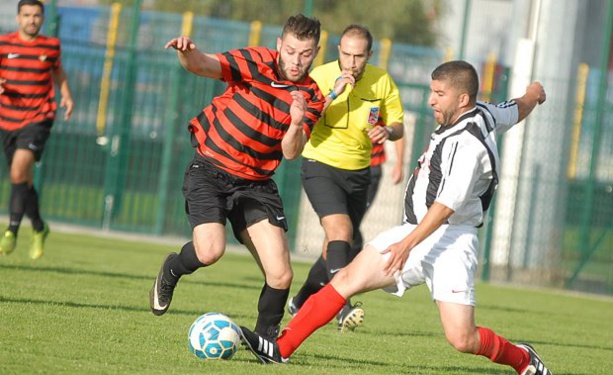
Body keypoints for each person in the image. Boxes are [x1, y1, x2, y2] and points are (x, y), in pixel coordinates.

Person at [240, 60, 552, 375]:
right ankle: (280, 349)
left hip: (451, 241)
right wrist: (533, 94)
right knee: (346, 279)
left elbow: (446, 205)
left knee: (463, 338)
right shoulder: (483, 111)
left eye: (439, 94)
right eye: (432, 91)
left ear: (462, 99)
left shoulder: (467, 143)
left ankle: (523, 359)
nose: (431, 100)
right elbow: (515, 110)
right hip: (415, 230)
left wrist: (405, 245)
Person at [148, 14, 325, 341]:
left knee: (281, 274)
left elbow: (290, 152)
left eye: (305, 53)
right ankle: (172, 270)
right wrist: (186, 51)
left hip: (256, 184)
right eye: (290, 51)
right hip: (210, 170)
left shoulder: (312, 96)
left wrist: (297, 123)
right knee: (210, 251)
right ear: (279, 46)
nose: (296, 60)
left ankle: (265, 343)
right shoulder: (256, 60)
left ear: (315, 52)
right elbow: (203, 64)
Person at [288, 24, 405, 332]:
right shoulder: (321, 77)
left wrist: (387, 131)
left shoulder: (382, 82)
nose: (352, 62)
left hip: (359, 171)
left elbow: (398, 124)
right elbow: (306, 118)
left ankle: (301, 300)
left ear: (369, 55)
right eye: (347, 54)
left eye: (359, 56)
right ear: (338, 50)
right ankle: (341, 306)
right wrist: (334, 92)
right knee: (341, 230)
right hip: (320, 164)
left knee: (340, 242)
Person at [0, 0, 74, 259]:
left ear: (42, 19)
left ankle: (11, 230)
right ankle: (40, 228)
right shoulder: (4, 44)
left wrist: (65, 95)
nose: (32, 20)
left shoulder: (51, 45)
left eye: (36, 15)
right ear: (18, 18)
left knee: (18, 170)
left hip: (39, 117)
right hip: (8, 120)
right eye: (27, 15)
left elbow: (58, 72)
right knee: (23, 180)